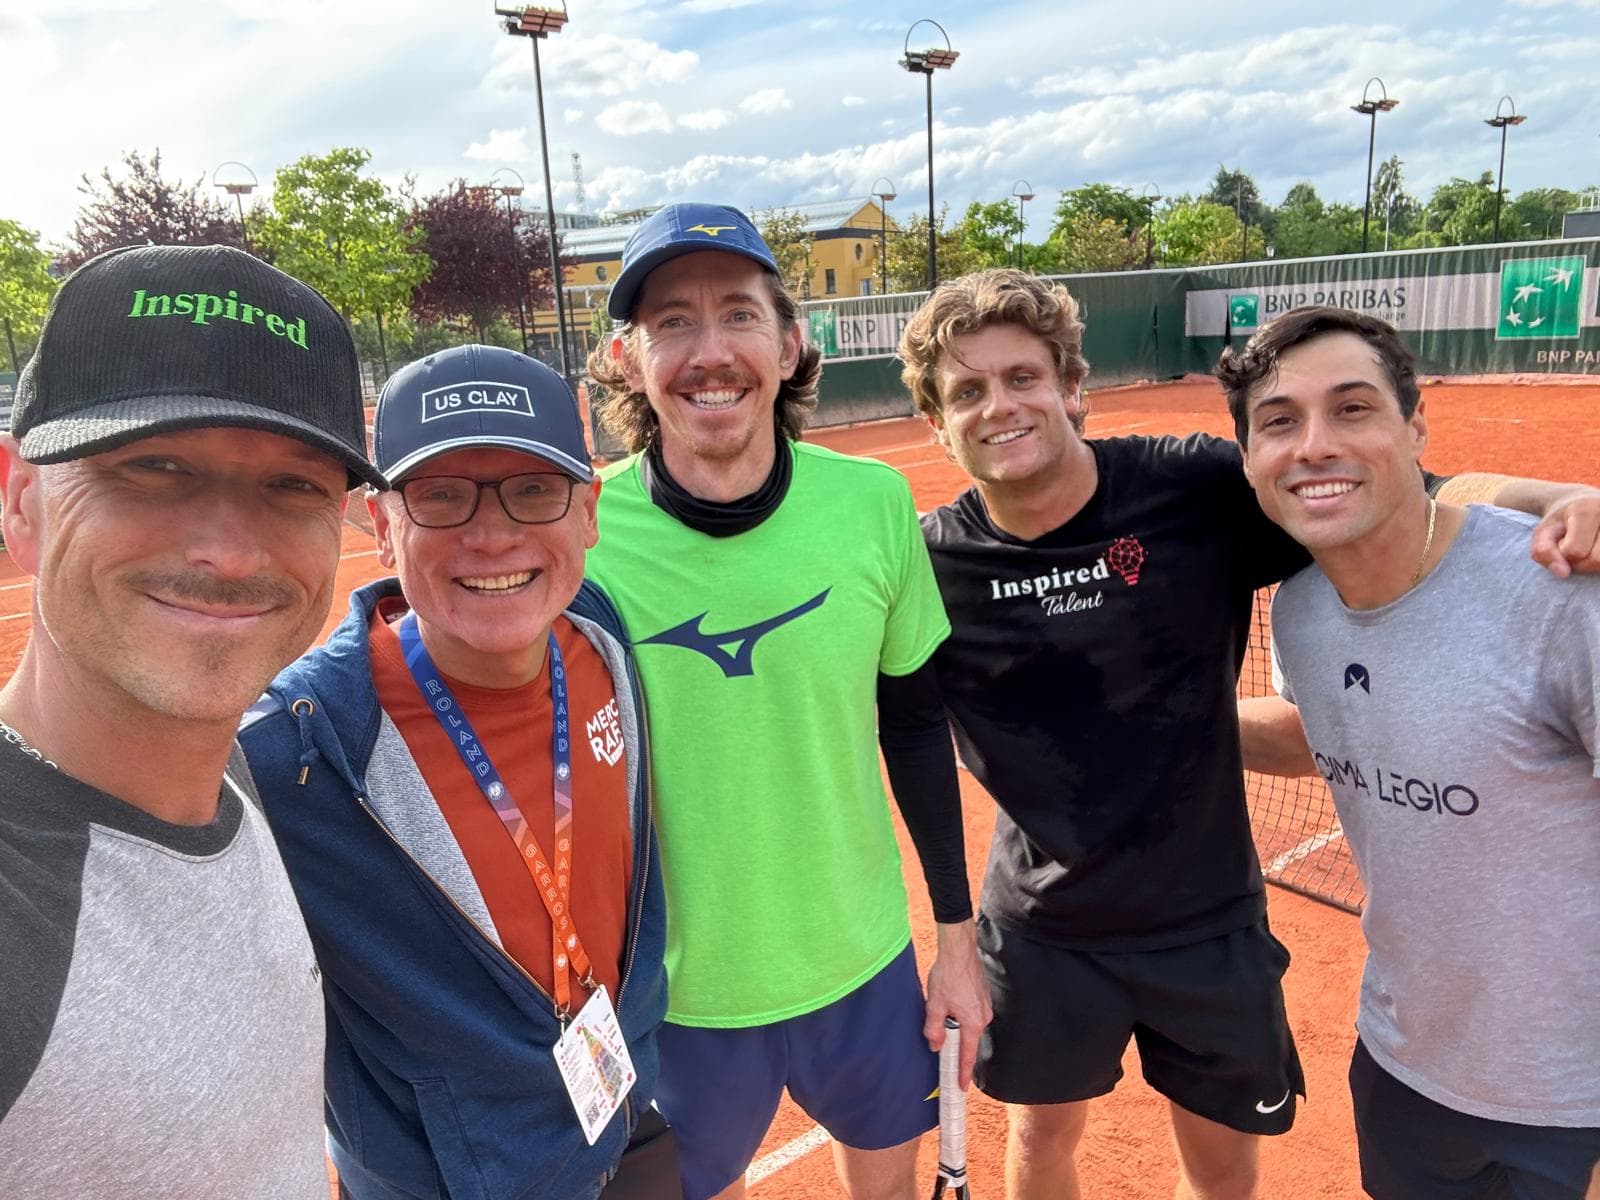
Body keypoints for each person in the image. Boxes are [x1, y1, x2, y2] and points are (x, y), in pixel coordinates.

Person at [895, 268, 1600, 1200]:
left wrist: (1558, 490)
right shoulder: (923, 565)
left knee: (1223, 1167)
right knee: (1042, 1138)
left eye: (1024, 377)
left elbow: (1402, 490)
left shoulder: (1193, 487)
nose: (1002, 406)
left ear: (1073, 387)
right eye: (968, 391)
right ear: (937, 423)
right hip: (1043, 926)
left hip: (1209, 916)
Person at [584, 203, 990, 1200]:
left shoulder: (872, 503)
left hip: (860, 966)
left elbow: (912, 719)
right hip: (672, 995)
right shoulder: (580, 527)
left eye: (739, 315)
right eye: (671, 322)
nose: (709, 351)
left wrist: (954, 939)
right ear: (628, 359)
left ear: (791, 341)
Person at [237, 344, 668, 1200]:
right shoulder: (289, 751)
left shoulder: (600, 640)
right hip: (448, 1180)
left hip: (620, 1112)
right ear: (381, 521)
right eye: (440, 495)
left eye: (534, 489)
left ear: (588, 511)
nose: (493, 532)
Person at [0, 244, 381, 1197]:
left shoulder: (237, 772)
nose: (226, 549)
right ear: (21, 505)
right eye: (154, 465)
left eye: (295, 485)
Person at [1218, 306, 1600, 1200]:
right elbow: (1329, 737)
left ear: (1415, 427)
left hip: (1574, 1099)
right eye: (1279, 421)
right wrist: (1148, 718)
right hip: (1405, 1070)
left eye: (1353, 409)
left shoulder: (1562, 599)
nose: (1314, 445)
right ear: (1247, 460)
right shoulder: (1305, 611)